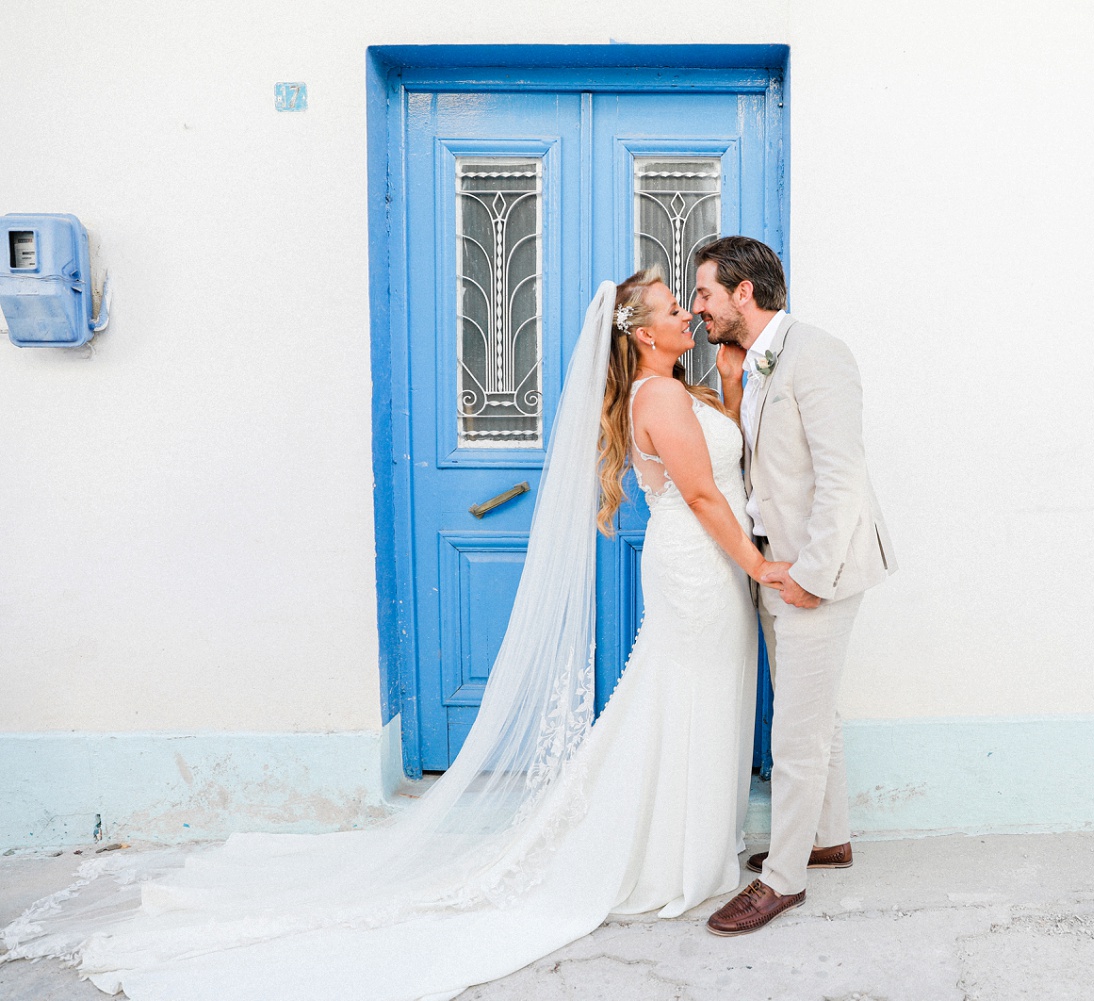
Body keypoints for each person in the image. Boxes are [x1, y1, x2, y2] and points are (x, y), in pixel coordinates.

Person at [0, 272, 780, 1001]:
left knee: (692, 698)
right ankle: (668, 855)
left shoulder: (680, 389)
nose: (688, 313)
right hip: (699, 565)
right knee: (684, 698)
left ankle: (687, 843)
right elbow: (708, 495)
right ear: (642, 334)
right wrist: (757, 564)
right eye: (676, 306)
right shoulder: (662, 399)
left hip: (706, 566)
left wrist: (738, 378)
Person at [692, 237, 897, 936]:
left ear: (743, 292)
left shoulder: (819, 353)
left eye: (706, 294)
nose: (699, 308)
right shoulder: (750, 363)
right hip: (775, 567)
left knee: (797, 731)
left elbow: (842, 476)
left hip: (818, 571)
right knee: (815, 712)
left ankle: (781, 879)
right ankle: (826, 838)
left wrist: (810, 577)